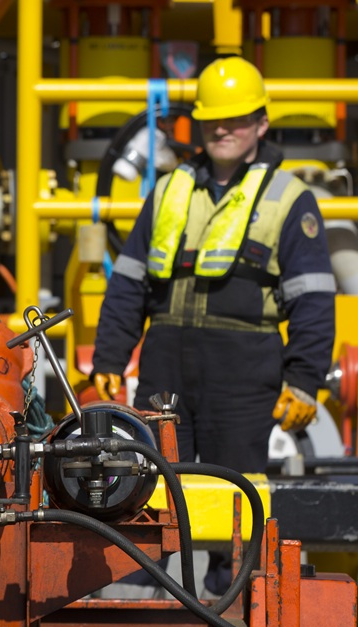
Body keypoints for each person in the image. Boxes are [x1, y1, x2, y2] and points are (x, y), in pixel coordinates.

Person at [90, 57, 336, 596]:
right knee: (149, 490)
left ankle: (234, 613)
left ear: (262, 124)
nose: (223, 129)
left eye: (237, 119)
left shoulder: (290, 201)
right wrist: (109, 359)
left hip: (243, 377)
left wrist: (303, 382)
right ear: (198, 124)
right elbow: (130, 283)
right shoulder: (170, 190)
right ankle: (146, 607)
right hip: (165, 368)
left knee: (238, 501)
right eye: (212, 119)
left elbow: (314, 302)